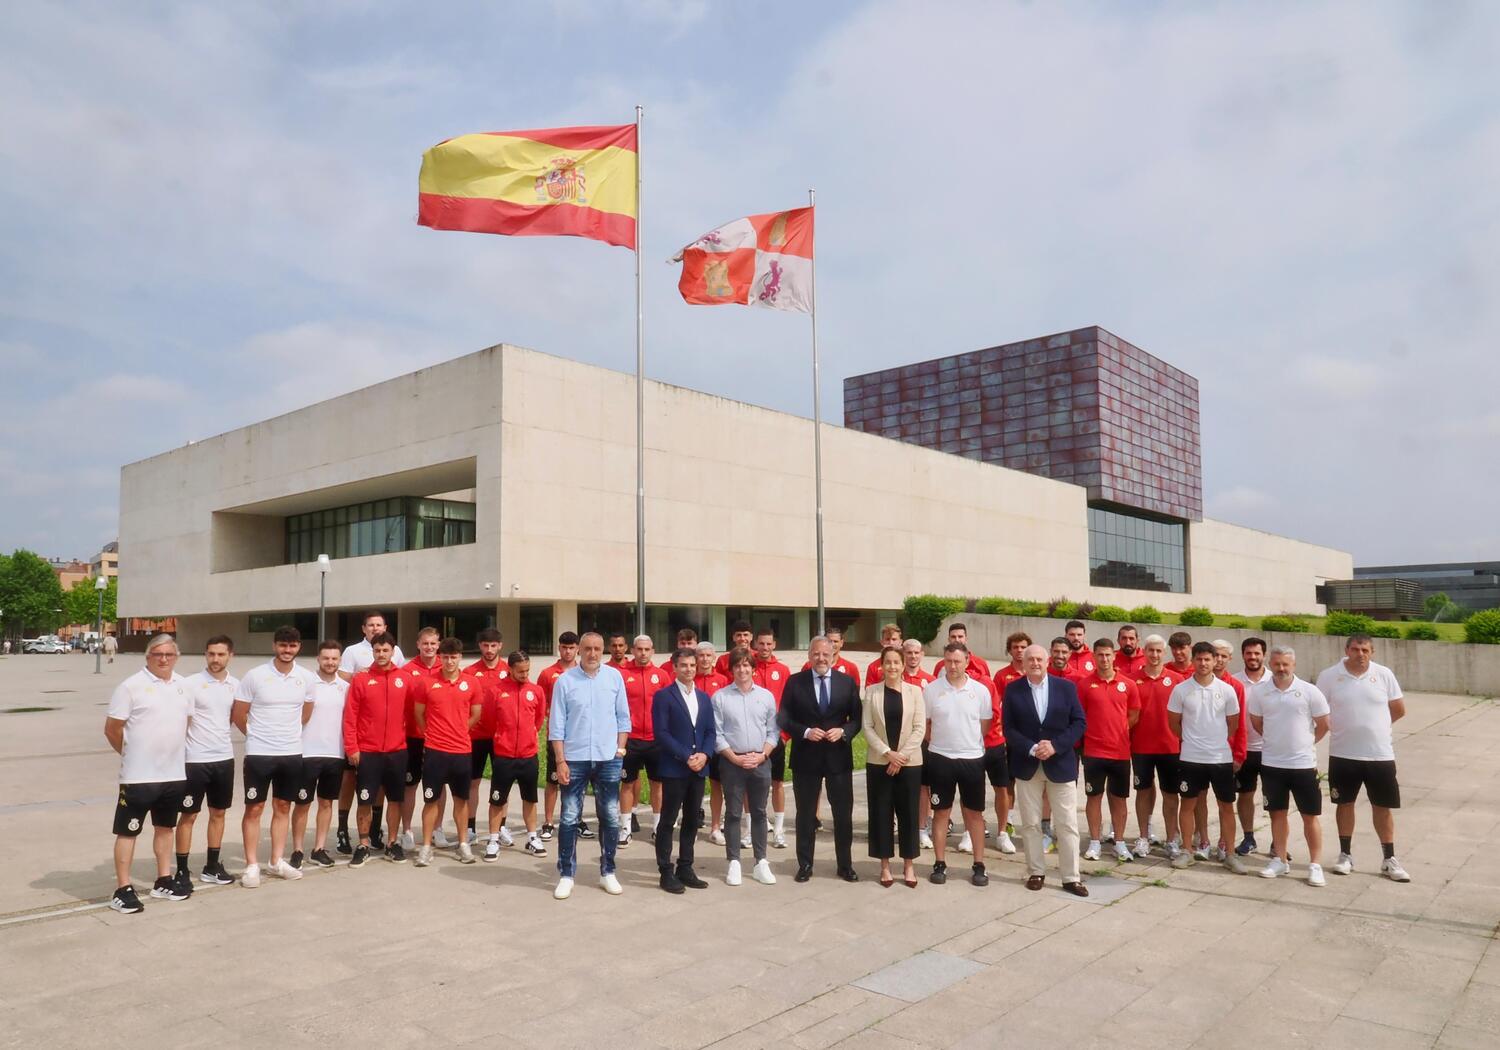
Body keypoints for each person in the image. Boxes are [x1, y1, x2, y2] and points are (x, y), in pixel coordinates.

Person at [104, 633, 192, 913]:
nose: (164, 659)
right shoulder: (131, 687)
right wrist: (131, 755)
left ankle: (163, 879)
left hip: (173, 775)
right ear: (148, 657)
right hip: (138, 777)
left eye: (169, 654)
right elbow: (112, 729)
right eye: (158, 655)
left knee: (166, 828)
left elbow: (186, 723)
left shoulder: (183, 686)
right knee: (128, 832)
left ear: (176, 657)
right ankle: (122, 889)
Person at [1316, 634, 1410, 882]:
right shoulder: (1329, 676)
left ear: (1372, 652)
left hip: (1380, 755)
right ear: (1347, 650)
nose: (1360, 654)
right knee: (1344, 804)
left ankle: (1389, 859)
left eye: (1365, 650)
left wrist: (1376, 727)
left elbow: (1398, 709)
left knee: (1383, 806)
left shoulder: (1384, 674)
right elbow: (1317, 709)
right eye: (1355, 649)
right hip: (1343, 754)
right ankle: (1345, 855)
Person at [549, 632, 631, 899]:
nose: (592, 653)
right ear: (579, 651)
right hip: (574, 758)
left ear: (603, 650)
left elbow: (623, 717)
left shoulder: (614, 677)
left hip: (608, 757)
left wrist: (619, 750)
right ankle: (566, 874)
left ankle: (608, 871)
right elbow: (556, 725)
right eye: (587, 649)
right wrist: (560, 760)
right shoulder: (565, 681)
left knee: (609, 816)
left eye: (597, 648)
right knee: (570, 817)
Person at [1003, 644, 1088, 896]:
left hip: (1060, 763)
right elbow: (1008, 728)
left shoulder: (1066, 688)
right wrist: (1030, 748)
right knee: (1030, 824)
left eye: (1039, 659)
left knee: (1067, 824)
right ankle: (1036, 872)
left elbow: (1079, 722)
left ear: (1047, 660)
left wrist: (1056, 746)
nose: (1035, 663)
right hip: (1027, 764)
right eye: (1030, 659)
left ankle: (1071, 877)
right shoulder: (1013, 690)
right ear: (1023, 662)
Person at [232, 626, 313, 887]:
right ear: (274, 646)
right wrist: (255, 736)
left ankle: (276, 861)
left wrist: (287, 735)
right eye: (282, 645)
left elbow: (306, 712)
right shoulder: (255, 676)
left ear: (298, 647)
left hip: (291, 753)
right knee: (254, 808)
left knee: (283, 807)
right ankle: (251, 865)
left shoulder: (306, 677)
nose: (286, 650)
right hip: (259, 754)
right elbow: (239, 713)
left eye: (291, 646)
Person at [779, 636, 861, 882]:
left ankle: (844, 865)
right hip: (806, 758)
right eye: (816, 654)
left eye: (826, 654)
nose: (821, 658)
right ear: (809, 655)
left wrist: (844, 731)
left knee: (843, 814)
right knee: (805, 814)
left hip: (838, 759)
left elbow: (857, 719)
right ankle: (805, 864)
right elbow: (783, 718)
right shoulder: (795, 682)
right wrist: (804, 731)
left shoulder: (847, 683)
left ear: (834, 654)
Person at [1249, 646, 1329, 886]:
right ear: (1270, 664)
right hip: (1273, 764)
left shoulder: (1309, 691)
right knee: (1277, 815)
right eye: (1277, 664)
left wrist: (1305, 743)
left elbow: (1323, 724)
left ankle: (1315, 865)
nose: (1281, 668)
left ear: (1293, 665)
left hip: (1303, 765)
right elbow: (1257, 723)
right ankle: (1280, 860)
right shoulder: (1260, 692)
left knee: (1310, 816)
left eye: (1285, 664)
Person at [1167, 642, 1245, 872]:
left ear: (1215, 661)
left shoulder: (1227, 690)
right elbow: (1174, 722)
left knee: (1226, 806)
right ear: (1193, 661)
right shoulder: (1181, 690)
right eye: (1199, 659)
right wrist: (1191, 740)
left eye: (1207, 659)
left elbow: (1233, 725)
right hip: (1191, 757)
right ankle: (1188, 851)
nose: (1203, 663)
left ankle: (1230, 854)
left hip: (1220, 757)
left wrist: (1216, 741)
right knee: (1188, 804)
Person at [923, 643, 994, 887]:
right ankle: (940, 863)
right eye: (948, 661)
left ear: (967, 660)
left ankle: (979, 865)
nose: (952, 666)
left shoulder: (981, 691)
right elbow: (927, 724)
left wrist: (966, 744)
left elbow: (984, 725)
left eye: (957, 661)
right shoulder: (931, 690)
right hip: (940, 758)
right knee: (941, 812)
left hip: (972, 758)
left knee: (974, 813)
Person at [341, 632, 412, 868]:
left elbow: (412, 714)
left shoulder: (404, 678)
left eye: (385, 650)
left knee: (395, 799)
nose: (381, 655)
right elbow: (350, 716)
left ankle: (392, 843)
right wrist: (352, 747)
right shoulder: (361, 679)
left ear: (393, 651)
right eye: (377, 651)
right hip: (368, 752)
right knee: (365, 800)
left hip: (397, 751)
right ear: (372, 652)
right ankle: (363, 844)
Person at [712, 647, 780, 886]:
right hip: (733, 763)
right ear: (732, 669)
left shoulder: (766, 696)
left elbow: (773, 731)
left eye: (746, 665)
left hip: (760, 761)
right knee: (732, 812)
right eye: (737, 665)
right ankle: (734, 862)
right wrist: (734, 758)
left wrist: (762, 755)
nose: (742, 669)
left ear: (753, 668)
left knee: (760, 812)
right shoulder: (720, 697)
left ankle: (761, 862)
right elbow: (717, 734)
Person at [176, 635, 239, 887]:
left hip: (224, 758)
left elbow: (233, 718)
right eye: (211, 654)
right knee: (188, 815)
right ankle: (181, 870)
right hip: (194, 761)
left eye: (221, 654)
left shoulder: (237, 685)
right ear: (205, 654)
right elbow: (183, 720)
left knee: (219, 813)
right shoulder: (190, 684)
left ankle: (212, 866)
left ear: (230, 656)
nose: (215, 659)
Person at [651, 648, 716, 893]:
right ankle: (665, 871)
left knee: (691, 820)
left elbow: (710, 731)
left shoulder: (704, 698)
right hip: (674, 768)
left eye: (692, 665)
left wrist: (705, 755)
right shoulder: (664, 697)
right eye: (684, 665)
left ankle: (685, 866)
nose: (689, 669)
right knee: (668, 821)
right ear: (674, 668)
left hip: (698, 769)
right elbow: (662, 733)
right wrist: (686, 755)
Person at [414, 638, 482, 867]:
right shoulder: (427, 683)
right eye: (445, 657)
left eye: (454, 657)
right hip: (435, 751)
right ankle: (425, 846)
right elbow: (419, 715)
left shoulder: (471, 683)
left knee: (461, 800)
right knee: (431, 800)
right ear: (439, 658)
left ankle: (463, 844)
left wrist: (460, 731)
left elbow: (475, 714)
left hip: (461, 751)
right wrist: (433, 735)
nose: (449, 661)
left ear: (460, 657)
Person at [863, 645, 925, 887]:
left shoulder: (915, 692)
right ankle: (885, 866)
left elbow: (919, 728)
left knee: (909, 813)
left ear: (903, 665)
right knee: (881, 814)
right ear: (881, 665)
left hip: (909, 764)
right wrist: (888, 753)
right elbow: (867, 727)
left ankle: (909, 866)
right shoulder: (872, 692)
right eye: (887, 662)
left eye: (896, 662)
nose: (892, 667)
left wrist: (901, 757)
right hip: (879, 763)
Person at [1078, 638, 1140, 862]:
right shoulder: (1084, 685)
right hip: (1093, 752)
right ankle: (1095, 841)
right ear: (1093, 656)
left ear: (1114, 656)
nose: (1104, 659)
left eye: (1107, 655)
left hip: (1120, 752)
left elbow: (1133, 715)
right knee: (1093, 797)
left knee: (1119, 798)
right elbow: (1080, 716)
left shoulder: (1128, 685)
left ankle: (1120, 842)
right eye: (1100, 655)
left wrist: (1118, 730)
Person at [485, 651, 547, 860]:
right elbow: (490, 719)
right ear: (509, 669)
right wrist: (503, 737)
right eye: (520, 671)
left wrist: (528, 737)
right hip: (504, 756)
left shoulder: (536, 691)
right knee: (497, 800)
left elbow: (538, 720)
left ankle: (532, 837)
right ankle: (493, 840)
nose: (524, 674)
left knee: (530, 798)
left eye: (527, 670)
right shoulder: (496, 691)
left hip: (528, 756)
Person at [290, 640, 346, 868]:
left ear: (339, 660)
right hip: (306, 754)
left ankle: (319, 848)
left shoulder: (346, 687)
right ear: (318, 659)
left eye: (334, 658)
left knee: (326, 803)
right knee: (302, 804)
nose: (330, 662)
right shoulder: (306, 683)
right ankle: (297, 850)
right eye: (326, 658)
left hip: (335, 754)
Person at [1130, 634, 1183, 859]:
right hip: (1141, 747)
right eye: (1150, 650)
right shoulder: (1132, 680)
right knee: (1143, 793)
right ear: (1144, 650)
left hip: (1171, 747)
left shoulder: (1177, 680)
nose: (1154, 655)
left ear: (1164, 653)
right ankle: (1143, 837)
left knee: (1171, 795)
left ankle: (1172, 840)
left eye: (1159, 651)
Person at [618, 634, 670, 845]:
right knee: (627, 784)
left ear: (653, 651)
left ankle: (658, 828)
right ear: (633, 650)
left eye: (647, 650)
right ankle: (625, 828)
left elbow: (669, 707)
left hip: (656, 740)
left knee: (657, 784)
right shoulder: (622, 675)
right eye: (639, 649)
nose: (643, 653)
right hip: (630, 739)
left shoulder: (662, 675)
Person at [463, 627, 510, 845]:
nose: (489, 650)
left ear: (500, 646)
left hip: (502, 737)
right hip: (476, 736)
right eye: (485, 645)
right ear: (479, 645)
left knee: (503, 783)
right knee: (473, 783)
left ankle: (501, 827)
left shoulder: (510, 670)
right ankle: (470, 827)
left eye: (493, 645)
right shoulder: (470, 672)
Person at [398, 627, 442, 850]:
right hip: (413, 736)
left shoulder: (447, 668)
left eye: (433, 643)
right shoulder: (407, 670)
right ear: (418, 644)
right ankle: (406, 830)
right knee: (410, 786)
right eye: (425, 643)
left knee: (438, 786)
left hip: (440, 737)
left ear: (438, 644)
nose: (429, 647)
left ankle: (437, 829)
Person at [536, 631, 581, 841]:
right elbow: (540, 702)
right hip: (557, 736)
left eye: (572, 647)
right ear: (559, 648)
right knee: (553, 779)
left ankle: (576, 819)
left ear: (577, 648)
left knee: (577, 779)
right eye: (564, 647)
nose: (568, 651)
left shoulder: (583, 672)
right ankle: (548, 822)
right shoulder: (547, 674)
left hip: (579, 735)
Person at [751, 629, 793, 849]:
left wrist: (784, 735)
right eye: (761, 644)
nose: (765, 648)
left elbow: (788, 704)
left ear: (774, 644)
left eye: (768, 644)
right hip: (752, 740)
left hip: (776, 738)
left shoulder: (783, 670)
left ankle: (778, 830)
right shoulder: (749, 667)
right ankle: (751, 829)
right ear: (755, 644)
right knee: (753, 785)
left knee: (777, 783)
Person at [1231, 636, 1271, 855]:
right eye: (1249, 653)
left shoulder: (1276, 680)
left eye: (1257, 653)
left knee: (1274, 797)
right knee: (1245, 795)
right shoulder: (1234, 682)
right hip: (1244, 750)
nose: (1253, 657)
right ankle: (1248, 839)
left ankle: (1278, 842)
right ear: (1242, 655)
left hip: (1270, 750)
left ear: (1263, 655)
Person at [695, 642, 732, 845]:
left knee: (717, 785)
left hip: (717, 740)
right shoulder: (689, 680)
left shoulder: (724, 680)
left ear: (714, 657)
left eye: (708, 655)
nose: (704, 659)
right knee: (692, 785)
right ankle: (690, 823)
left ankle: (716, 827)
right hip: (695, 742)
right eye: (701, 655)